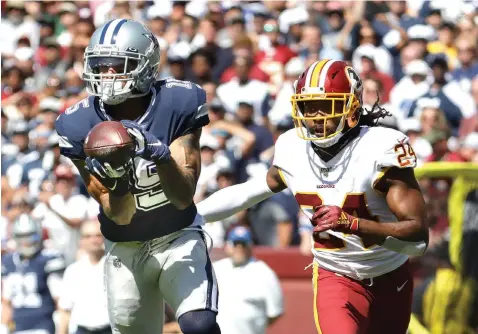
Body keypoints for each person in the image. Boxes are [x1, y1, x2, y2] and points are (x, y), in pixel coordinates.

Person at [198, 59, 429, 334]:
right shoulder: (292, 147)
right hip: (336, 275)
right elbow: (250, 191)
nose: (316, 117)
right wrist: (190, 215)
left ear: (351, 107)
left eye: (327, 106)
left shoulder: (380, 147)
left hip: (390, 275)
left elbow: (417, 237)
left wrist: (354, 225)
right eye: (309, 106)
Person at [55, 19, 220, 334]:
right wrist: (118, 184)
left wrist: (159, 154)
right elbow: (120, 214)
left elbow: (184, 194)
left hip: (177, 234)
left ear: (146, 65)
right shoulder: (76, 124)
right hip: (125, 246)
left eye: (118, 66)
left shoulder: (178, 102)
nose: (107, 75)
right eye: (100, 66)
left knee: (200, 326)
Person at [1, 214, 65, 334]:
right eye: (22, 237)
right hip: (18, 326)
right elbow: (6, 301)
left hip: (43, 325)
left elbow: (60, 301)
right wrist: (4, 326)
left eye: (31, 236)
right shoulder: (8, 262)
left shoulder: (48, 259)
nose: (26, 242)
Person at [213, 226, 284, 334]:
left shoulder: (264, 272)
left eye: (244, 244)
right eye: (236, 244)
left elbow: (275, 312)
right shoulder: (216, 269)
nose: (239, 248)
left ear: (251, 246)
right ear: (228, 246)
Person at [57, 220, 111, 334]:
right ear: (81, 241)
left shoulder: (116, 267)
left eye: (98, 235)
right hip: (82, 330)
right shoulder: (73, 271)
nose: (93, 240)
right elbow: (65, 310)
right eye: (88, 236)